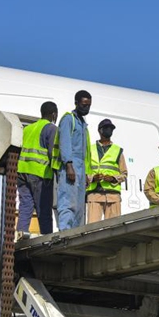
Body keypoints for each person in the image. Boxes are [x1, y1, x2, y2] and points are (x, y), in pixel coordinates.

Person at [16, 101, 59, 237]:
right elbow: (54, 153)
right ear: (54, 114)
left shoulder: (28, 128)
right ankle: (46, 237)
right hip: (40, 173)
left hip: (22, 171)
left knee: (25, 205)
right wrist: (59, 171)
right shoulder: (51, 128)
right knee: (44, 208)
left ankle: (21, 232)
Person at [55, 90, 92, 230]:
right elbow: (65, 143)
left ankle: (75, 232)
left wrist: (87, 173)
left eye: (89, 105)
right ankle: (65, 231)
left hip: (81, 169)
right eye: (84, 105)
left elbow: (86, 153)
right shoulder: (68, 119)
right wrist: (69, 164)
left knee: (78, 205)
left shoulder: (83, 124)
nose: (86, 108)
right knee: (68, 201)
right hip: (70, 166)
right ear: (76, 103)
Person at [86, 119, 127, 223]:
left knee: (113, 229)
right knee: (92, 229)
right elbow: (83, 171)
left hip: (113, 196)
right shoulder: (90, 149)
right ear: (100, 130)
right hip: (94, 195)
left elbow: (124, 174)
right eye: (106, 128)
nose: (109, 130)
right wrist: (92, 178)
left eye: (111, 128)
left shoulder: (118, 151)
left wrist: (113, 178)